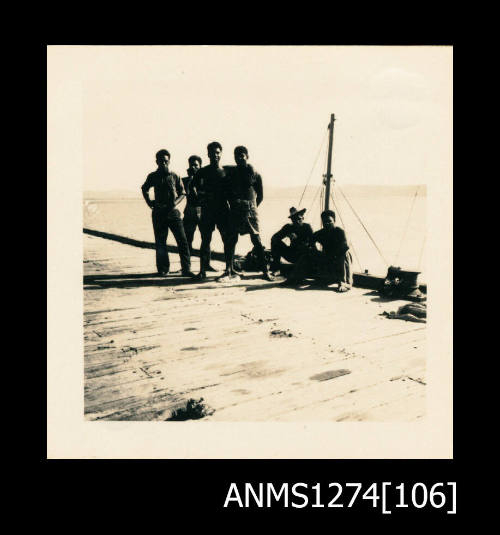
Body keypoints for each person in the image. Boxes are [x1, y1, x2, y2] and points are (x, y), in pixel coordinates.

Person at [221, 146, 274, 282]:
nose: (239, 158)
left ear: (247, 156)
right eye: (236, 155)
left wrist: (251, 207)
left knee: (256, 240)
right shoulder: (231, 173)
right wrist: (234, 205)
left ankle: (265, 271)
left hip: (250, 211)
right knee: (231, 240)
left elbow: (260, 196)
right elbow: (226, 193)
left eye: (242, 155)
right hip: (235, 210)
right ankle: (229, 269)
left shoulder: (255, 174)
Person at [141, 149, 195, 278]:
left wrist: (175, 203)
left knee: (183, 241)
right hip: (158, 213)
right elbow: (144, 188)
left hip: (173, 213)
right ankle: (163, 269)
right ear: (157, 162)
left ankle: (186, 269)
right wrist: (149, 202)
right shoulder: (152, 176)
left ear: (169, 161)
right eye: (161, 161)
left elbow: (183, 193)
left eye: (166, 161)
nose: (163, 163)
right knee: (160, 242)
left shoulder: (175, 176)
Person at [283, 209, 353, 292]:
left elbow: (345, 247)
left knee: (345, 254)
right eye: (324, 222)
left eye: (329, 221)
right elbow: (309, 243)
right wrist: (310, 249)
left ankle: (344, 283)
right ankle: (295, 278)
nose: (327, 223)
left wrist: (330, 257)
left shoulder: (340, 232)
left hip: (339, 262)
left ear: (334, 221)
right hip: (327, 261)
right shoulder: (320, 233)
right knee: (306, 254)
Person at [190, 141, 231, 281]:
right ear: (208, 154)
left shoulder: (226, 171)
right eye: (213, 153)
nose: (215, 155)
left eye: (218, 152)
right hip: (207, 209)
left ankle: (229, 269)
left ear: (221, 154)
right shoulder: (203, 171)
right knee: (205, 239)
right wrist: (200, 198)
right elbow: (192, 186)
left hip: (223, 210)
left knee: (227, 239)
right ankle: (202, 271)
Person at [181, 155, 216, 271]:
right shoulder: (185, 180)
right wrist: (191, 179)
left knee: (206, 239)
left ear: (200, 166)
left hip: (203, 210)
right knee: (187, 239)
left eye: (196, 165)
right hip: (190, 210)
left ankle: (206, 264)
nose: (193, 167)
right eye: (191, 165)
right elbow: (186, 192)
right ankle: (186, 266)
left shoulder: (205, 179)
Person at [270, 207, 314, 275]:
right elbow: (274, 238)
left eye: (299, 219)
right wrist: (287, 234)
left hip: (304, 255)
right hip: (292, 254)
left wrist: (298, 239)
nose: (296, 221)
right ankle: (276, 268)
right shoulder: (288, 227)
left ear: (303, 218)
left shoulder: (307, 227)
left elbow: (312, 243)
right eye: (294, 219)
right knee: (275, 242)